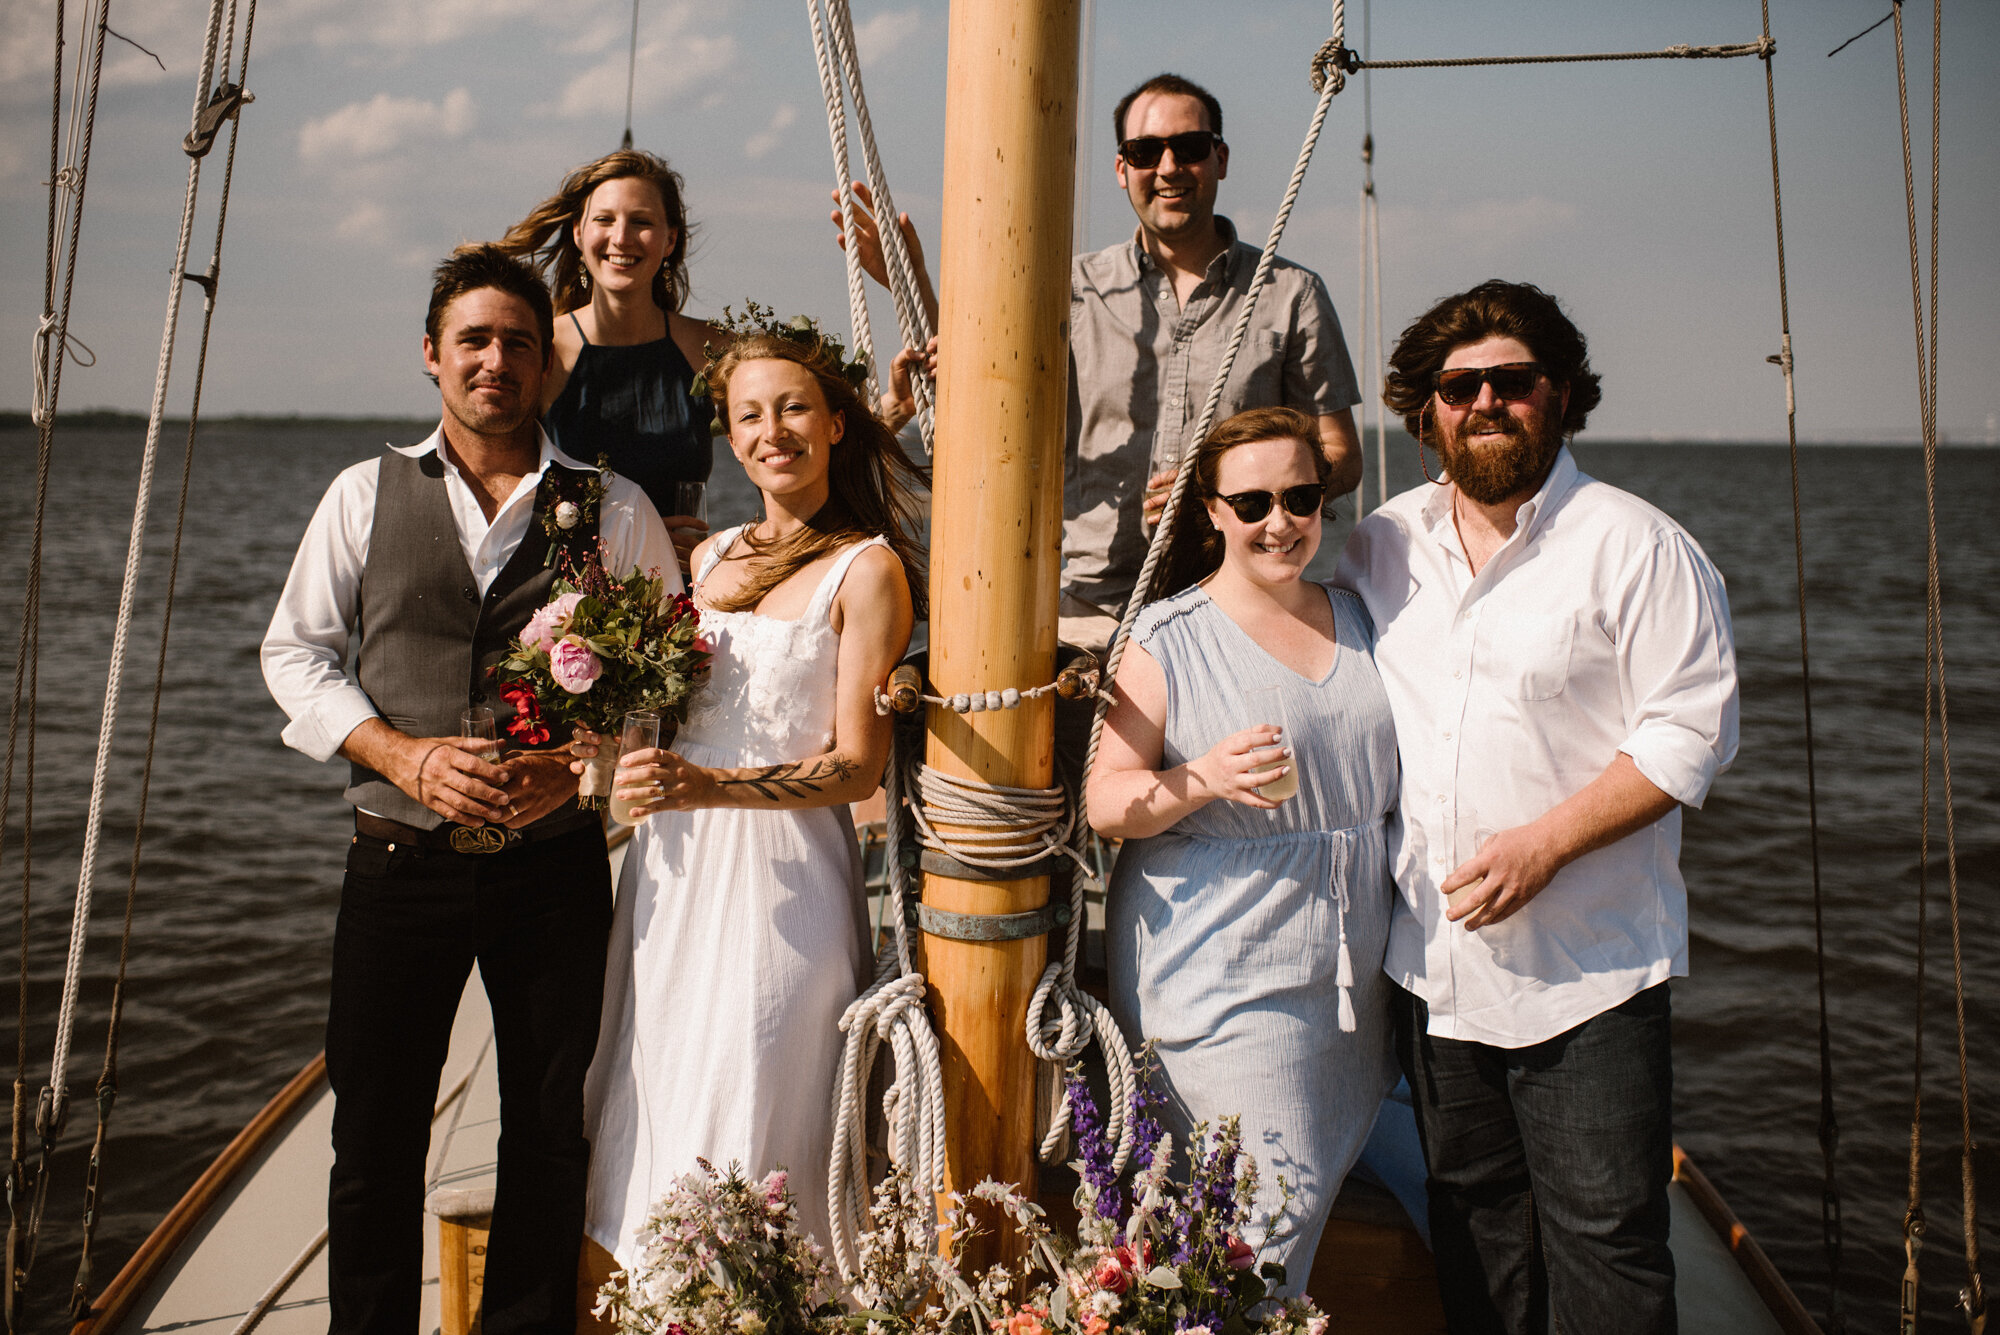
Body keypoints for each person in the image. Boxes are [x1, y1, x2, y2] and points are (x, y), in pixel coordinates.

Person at [260, 244, 677, 1335]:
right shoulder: (364, 493)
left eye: (518, 344)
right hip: (398, 863)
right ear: (432, 359)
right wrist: (401, 755)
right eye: (474, 342)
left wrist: (575, 759)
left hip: (552, 871)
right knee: (376, 1133)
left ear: (547, 367)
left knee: (546, 1126)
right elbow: (294, 656)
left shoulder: (610, 507)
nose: (496, 360)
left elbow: (667, 681)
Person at [1335, 279, 1739, 1333]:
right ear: (1423, 411)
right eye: (1454, 386)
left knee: (1606, 1242)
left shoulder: (1635, 546)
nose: (1480, 403)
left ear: (1557, 395)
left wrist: (1546, 844)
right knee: (1471, 1228)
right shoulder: (1381, 545)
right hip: (1433, 973)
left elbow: (1687, 731)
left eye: (1506, 382)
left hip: (1586, 979)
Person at [579, 326, 923, 1277]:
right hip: (676, 872)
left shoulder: (868, 570)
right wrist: (624, 754)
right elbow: (675, 716)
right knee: (666, 1076)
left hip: (785, 877)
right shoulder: (710, 559)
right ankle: (664, 1294)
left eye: (795, 408)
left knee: (758, 1081)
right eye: (750, 416)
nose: (775, 431)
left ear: (836, 424)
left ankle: (767, 1294)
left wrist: (712, 784)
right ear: (731, 440)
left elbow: (857, 767)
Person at [835, 72, 1365, 661]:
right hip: (1087, 616)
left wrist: (1229, 493)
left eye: (1188, 148)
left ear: (1220, 159)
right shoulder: (1069, 291)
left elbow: (1341, 456)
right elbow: (989, 398)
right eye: (1145, 151)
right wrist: (913, 287)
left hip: (1237, 607)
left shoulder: (1291, 295)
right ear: (1122, 169)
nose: (1167, 166)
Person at [1086, 405, 1398, 1287]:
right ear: (1211, 511)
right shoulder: (1165, 638)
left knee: (1285, 1202)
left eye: (1301, 496)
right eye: (1253, 501)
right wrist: (1204, 779)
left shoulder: (1362, 616)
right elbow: (1106, 801)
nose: (1280, 520)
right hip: (1223, 957)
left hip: (1353, 968)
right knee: (1266, 1213)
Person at [499, 150, 719, 574]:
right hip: (564, 599)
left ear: (670, 239)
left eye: (642, 221)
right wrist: (637, 536)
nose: (622, 237)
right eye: (605, 220)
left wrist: (727, 550)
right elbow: (497, 489)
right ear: (579, 234)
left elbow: (792, 451)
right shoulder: (543, 349)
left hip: (680, 591)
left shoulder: (709, 349)